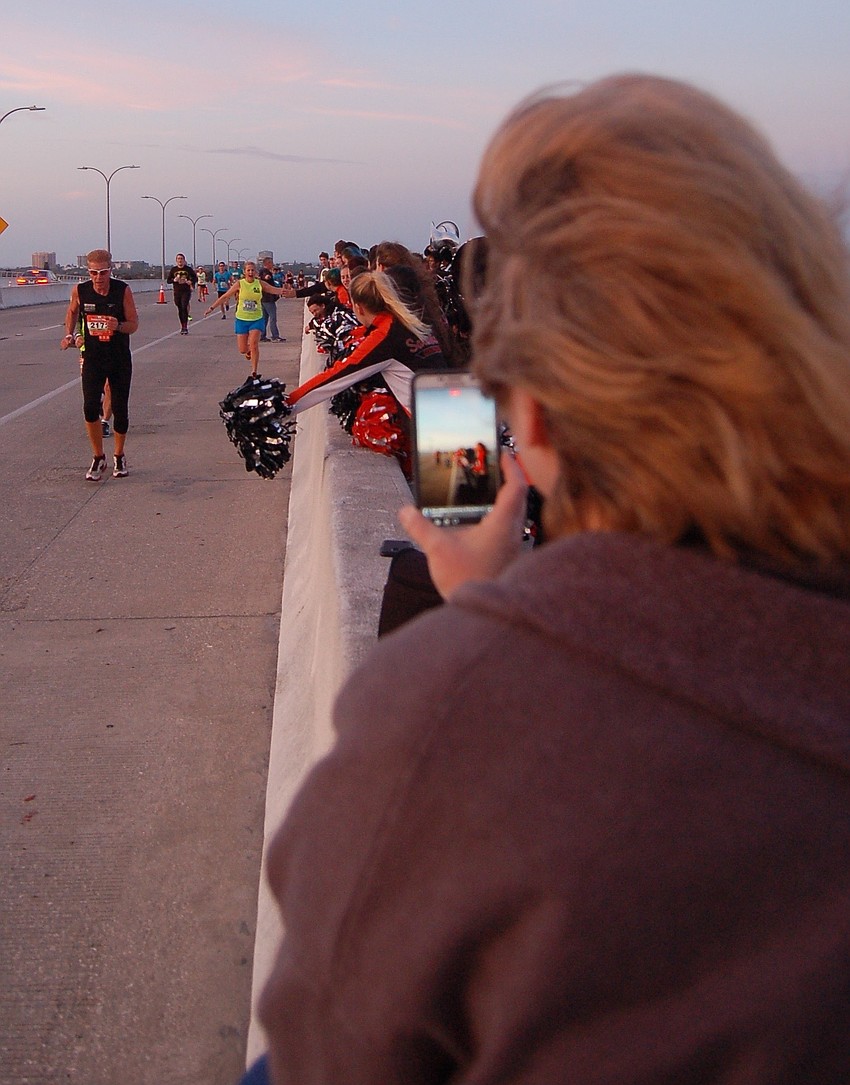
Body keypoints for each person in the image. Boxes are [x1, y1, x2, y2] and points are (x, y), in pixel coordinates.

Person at [252, 74, 850, 1083]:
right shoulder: (431, 325)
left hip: (463, 450)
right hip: (480, 449)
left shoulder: (440, 717)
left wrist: (481, 628)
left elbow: (332, 1040)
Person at [60, 249, 139, 480]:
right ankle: (98, 457)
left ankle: (119, 455)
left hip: (118, 357)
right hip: (93, 357)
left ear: (110, 270)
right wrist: (71, 335)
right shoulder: (80, 290)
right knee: (89, 407)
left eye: (103, 272)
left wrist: (118, 326)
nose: (98, 278)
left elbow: (134, 324)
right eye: (93, 273)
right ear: (88, 272)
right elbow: (72, 312)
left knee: (120, 410)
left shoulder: (122, 290)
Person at [204, 259, 287, 376]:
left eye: (252, 270)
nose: (251, 272)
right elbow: (225, 296)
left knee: (254, 345)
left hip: (256, 319)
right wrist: (212, 308)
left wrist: (289, 292)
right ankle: (248, 352)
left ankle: (254, 371)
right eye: (248, 270)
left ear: (256, 272)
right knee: (243, 349)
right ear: (244, 272)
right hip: (242, 319)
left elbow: (274, 290)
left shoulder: (260, 284)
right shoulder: (240, 284)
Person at [166, 253, 198, 334]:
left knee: (184, 307)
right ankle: (182, 325)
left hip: (186, 291)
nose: (180, 260)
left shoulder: (188, 269)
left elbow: (195, 278)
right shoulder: (173, 269)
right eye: (178, 259)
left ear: (184, 260)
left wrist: (190, 281)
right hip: (177, 291)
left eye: (181, 259)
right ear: (176, 260)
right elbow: (168, 280)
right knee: (180, 308)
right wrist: (174, 280)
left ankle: (185, 327)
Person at [259, 256, 285, 343]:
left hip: (263, 298)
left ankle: (262, 336)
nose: (272, 264)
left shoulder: (261, 271)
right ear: (267, 263)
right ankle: (275, 336)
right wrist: (267, 277)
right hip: (268, 299)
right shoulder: (266, 272)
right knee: (273, 318)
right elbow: (266, 277)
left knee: (264, 318)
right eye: (271, 262)